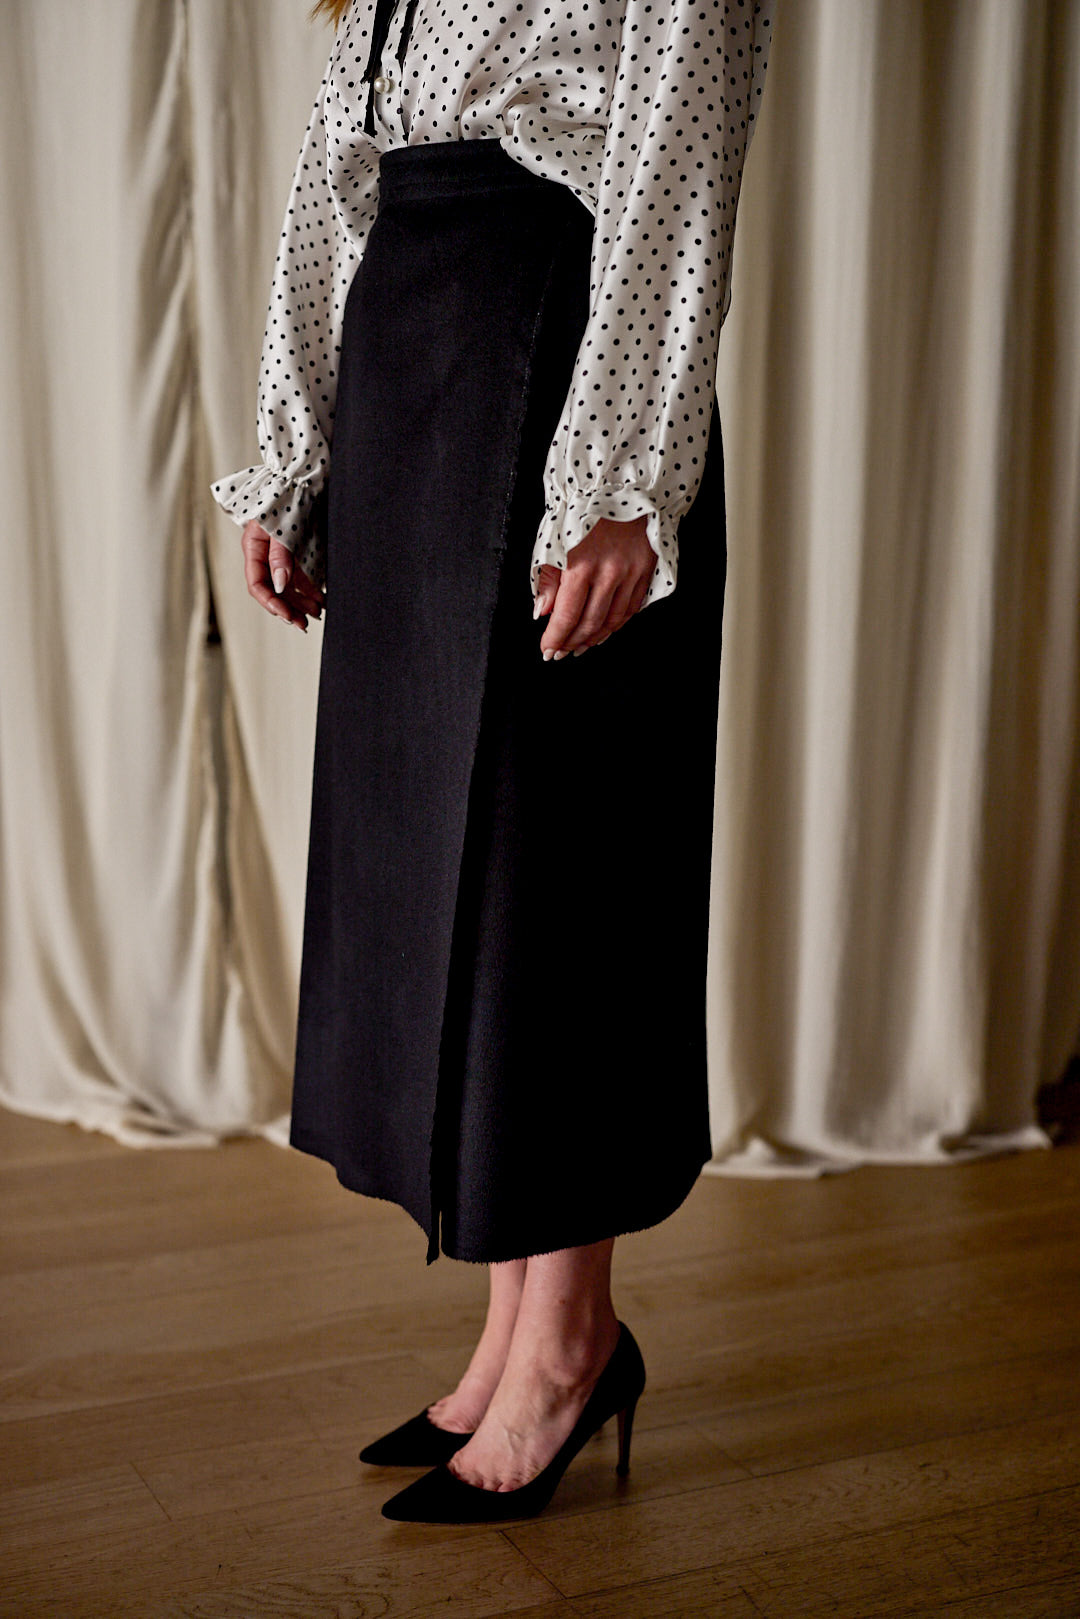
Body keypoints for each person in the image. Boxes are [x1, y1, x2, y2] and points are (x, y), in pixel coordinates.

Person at [212, 0, 772, 1523]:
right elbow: (334, 191)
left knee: (551, 879)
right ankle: (514, 1330)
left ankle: (571, 1341)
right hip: (415, 388)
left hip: (555, 381)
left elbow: (672, 179)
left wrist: (616, 486)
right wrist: (296, 457)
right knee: (437, 871)